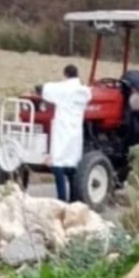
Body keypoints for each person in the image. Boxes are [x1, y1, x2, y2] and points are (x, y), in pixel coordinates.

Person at [41, 64, 92, 202]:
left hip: (62, 130)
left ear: (65, 75)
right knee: (73, 167)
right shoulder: (84, 92)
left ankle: (61, 199)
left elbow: (46, 89)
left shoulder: (63, 89)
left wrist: (40, 88)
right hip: (75, 131)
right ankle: (74, 199)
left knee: (58, 166)